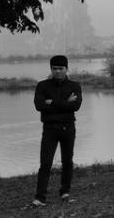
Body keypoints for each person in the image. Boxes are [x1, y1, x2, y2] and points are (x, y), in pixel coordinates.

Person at [31, 55, 82, 206]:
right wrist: (65, 103)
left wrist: (51, 102)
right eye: (55, 69)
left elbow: (76, 107)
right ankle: (40, 198)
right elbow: (39, 105)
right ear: (51, 69)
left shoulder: (74, 86)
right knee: (45, 164)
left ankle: (65, 192)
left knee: (67, 162)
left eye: (61, 68)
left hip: (68, 129)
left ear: (67, 69)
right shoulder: (42, 85)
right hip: (49, 129)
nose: (58, 71)